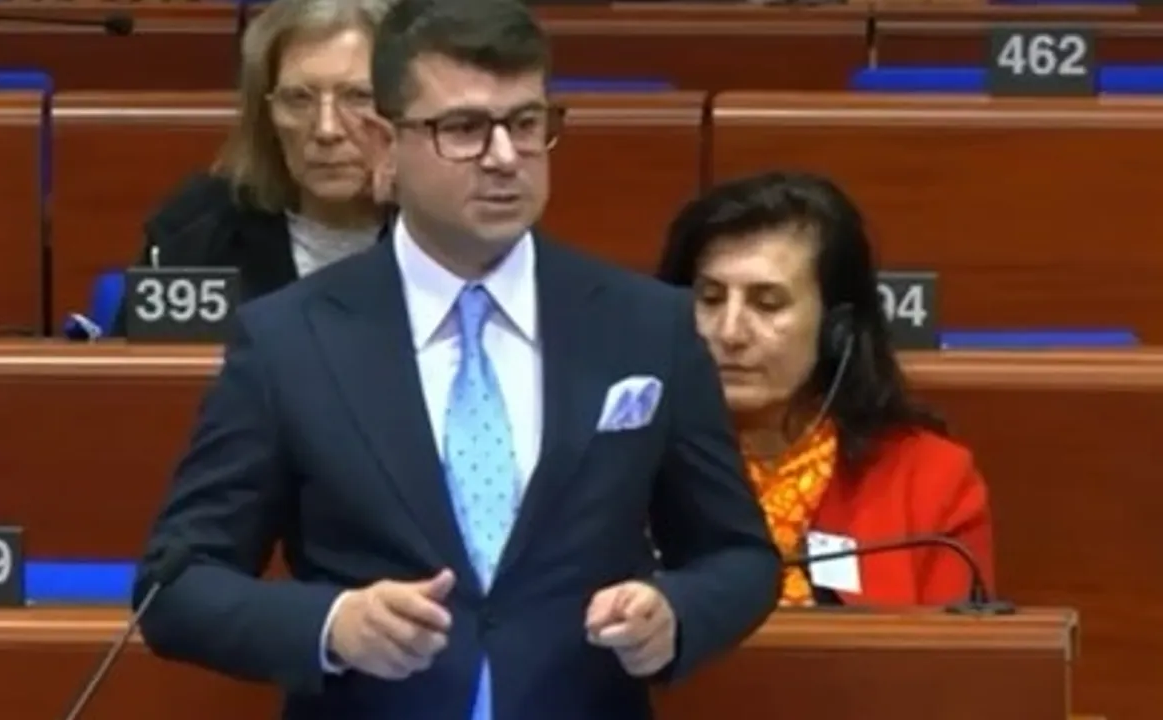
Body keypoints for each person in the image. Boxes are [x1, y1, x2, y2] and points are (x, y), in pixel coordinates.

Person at [133, 0, 781, 717]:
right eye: (464, 129)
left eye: (525, 124)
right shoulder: (289, 340)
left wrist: (676, 614)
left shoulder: (646, 325)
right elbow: (176, 586)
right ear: (386, 143)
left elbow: (740, 557)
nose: (504, 157)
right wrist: (331, 625)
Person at [656, 171, 995, 607]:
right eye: (709, 299)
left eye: (767, 303)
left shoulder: (929, 478)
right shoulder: (621, 461)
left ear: (837, 329)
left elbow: (955, 648)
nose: (730, 332)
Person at [109, 0, 396, 336]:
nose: (326, 129)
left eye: (358, 96)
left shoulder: (443, 232)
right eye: (299, 98)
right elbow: (141, 365)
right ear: (266, 114)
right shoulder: (198, 227)